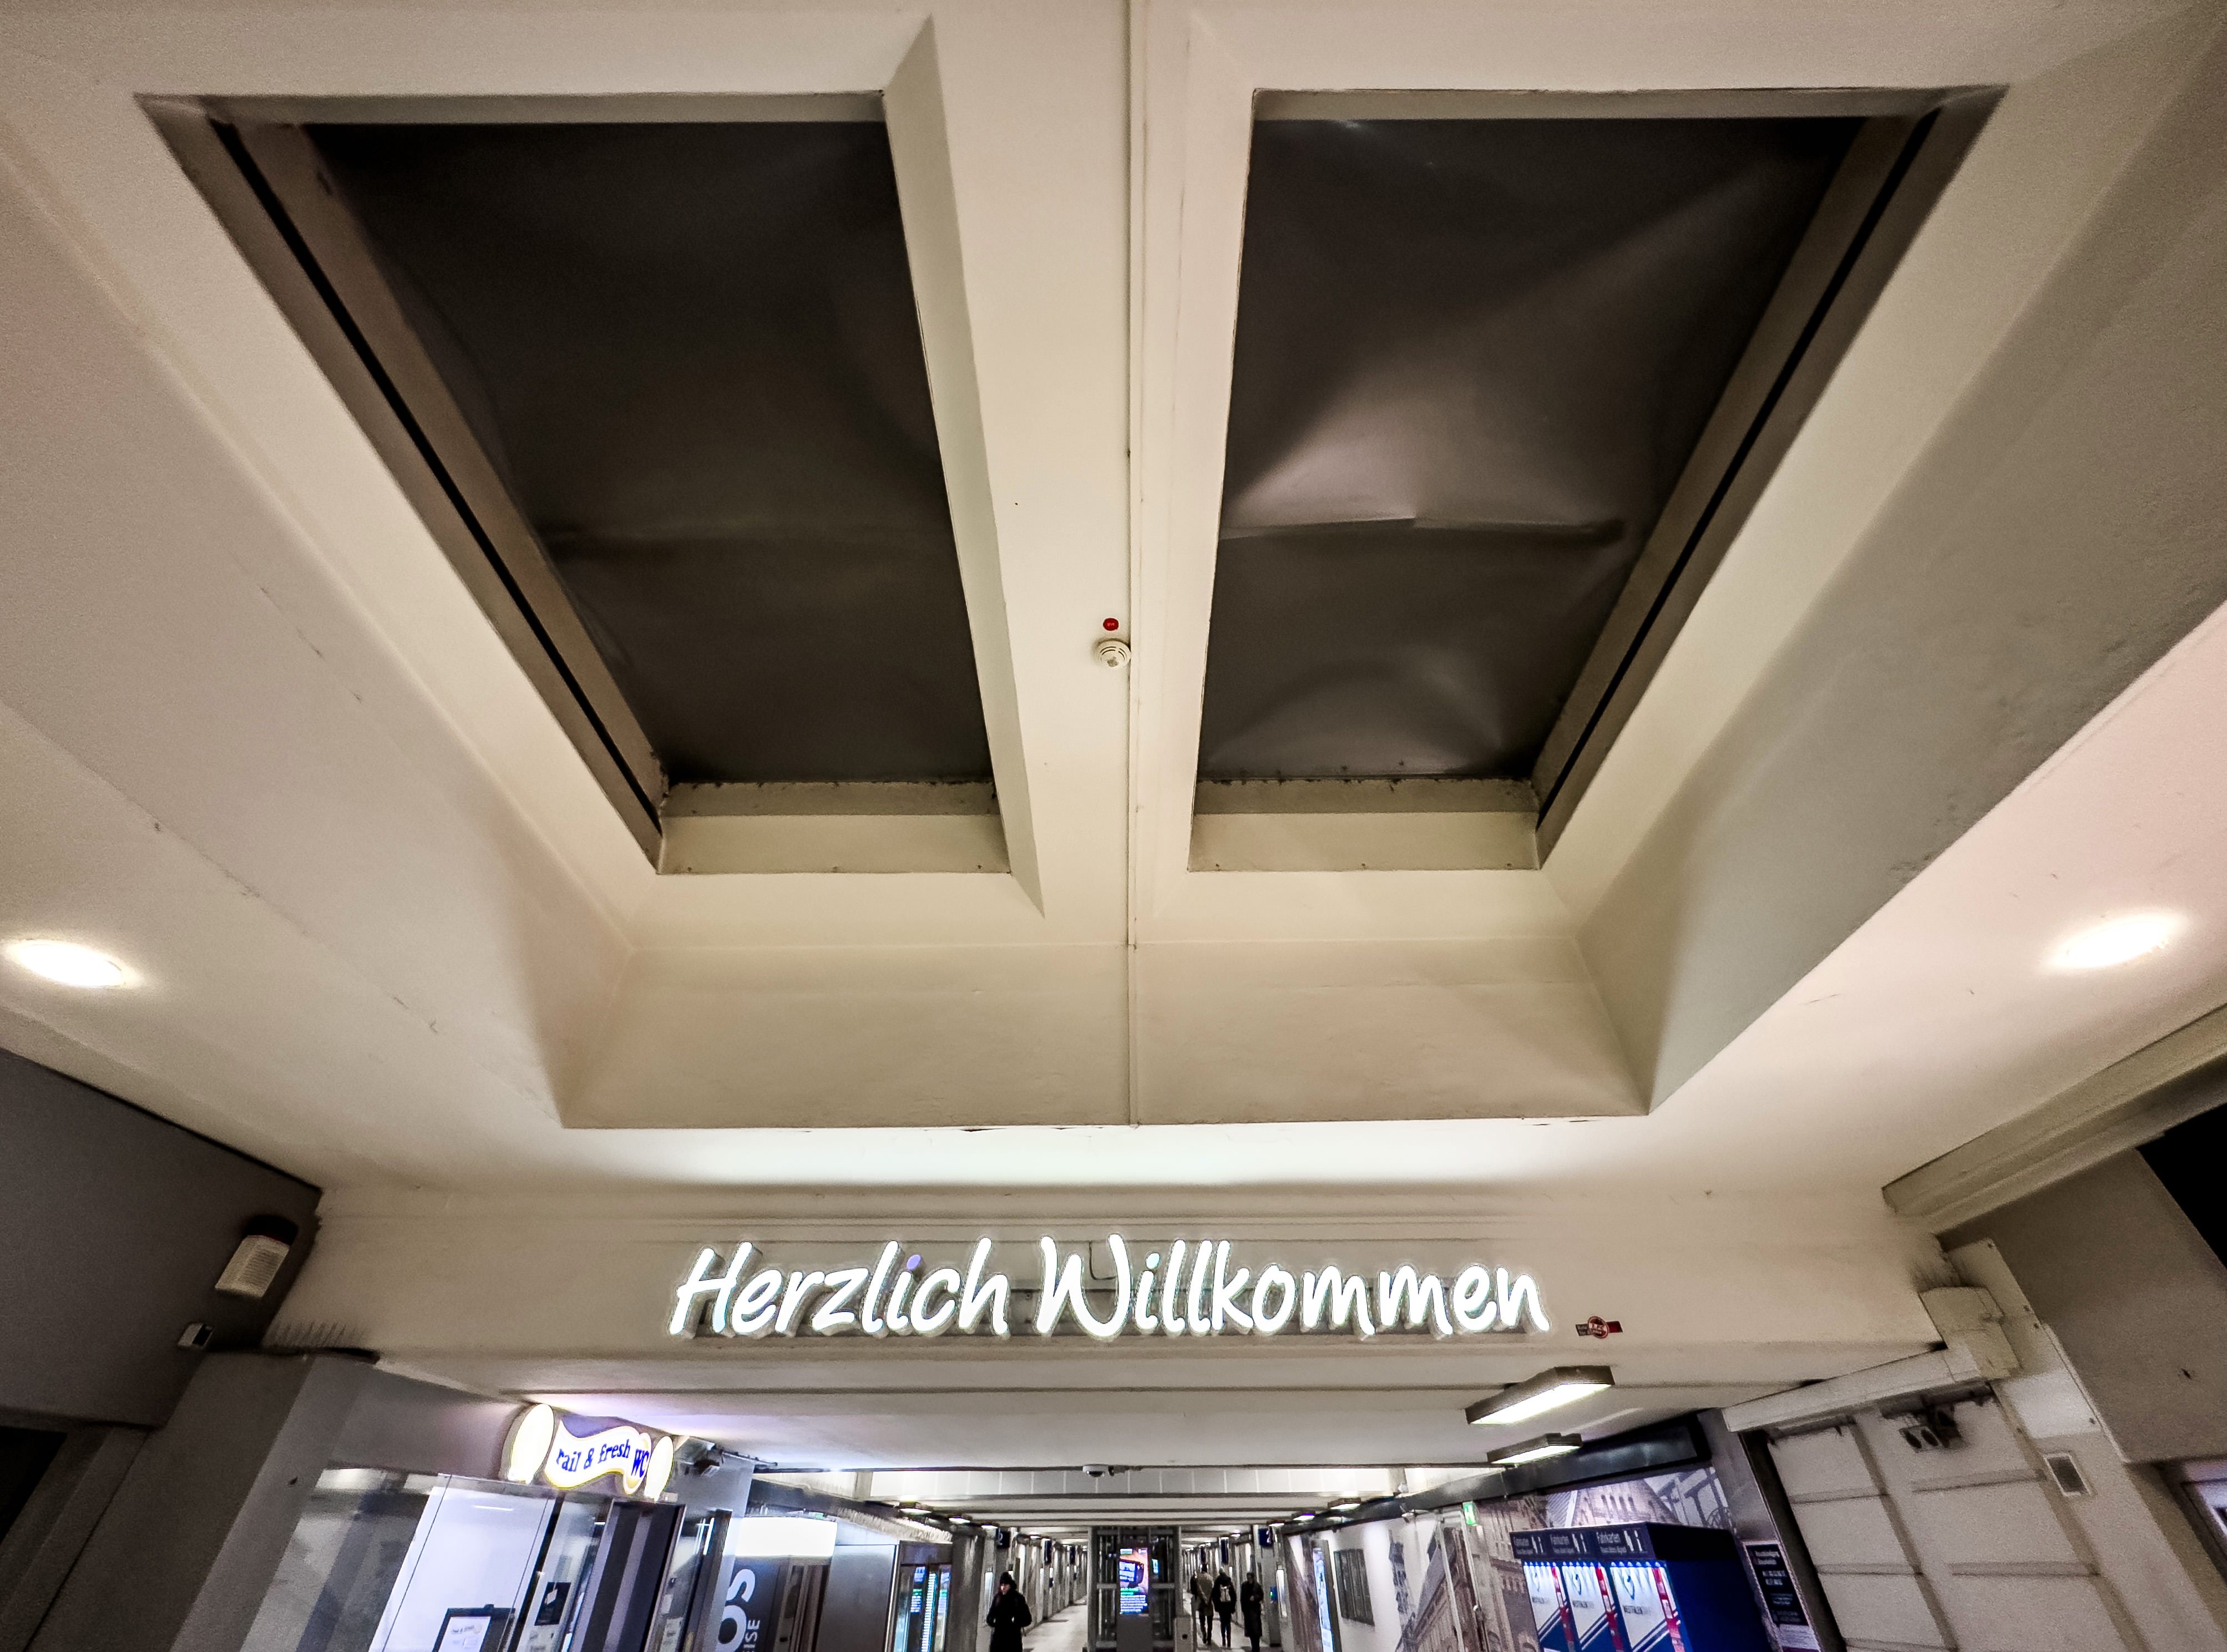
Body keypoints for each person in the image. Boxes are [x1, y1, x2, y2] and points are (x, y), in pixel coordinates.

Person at [987, 1572, 1032, 1652]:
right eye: (1002, 1585)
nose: (1003, 1587)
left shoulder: (1018, 1599)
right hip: (998, 1640)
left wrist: (1016, 1624)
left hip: (1013, 1640)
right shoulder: (997, 1598)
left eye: (1005, 1585)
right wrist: (995, 1624)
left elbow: (1028, 1619)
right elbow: (990, 1617)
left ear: (1010, 1585)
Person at [1239, 1574, 1264, 1652]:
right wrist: (1244, 1609)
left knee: (1256, 1631)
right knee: (1251, 1632)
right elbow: (1242, 1598)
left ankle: (1257, 1647)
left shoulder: (1257, 1586)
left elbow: (1261, 1595)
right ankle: (1254, 1647)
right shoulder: (1244, 1586)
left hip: (1255, 1612)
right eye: (1248, 1578)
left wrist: (1255, 1598)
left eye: (1251, 1578)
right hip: (1248, 1611)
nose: (1249, 1579)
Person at [1212, 1571, 1237, 1650]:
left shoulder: (1217, 1582)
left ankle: (1223, 1638)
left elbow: (1214, 1596)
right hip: (1228, 1606)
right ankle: (1229, 1639)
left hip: (1221, 1606)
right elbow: (1234, 1596)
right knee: (1228, 1623)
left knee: (1223, 1623)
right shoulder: (1229, 1583)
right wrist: (1233, 1607)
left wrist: (1216, 1607)